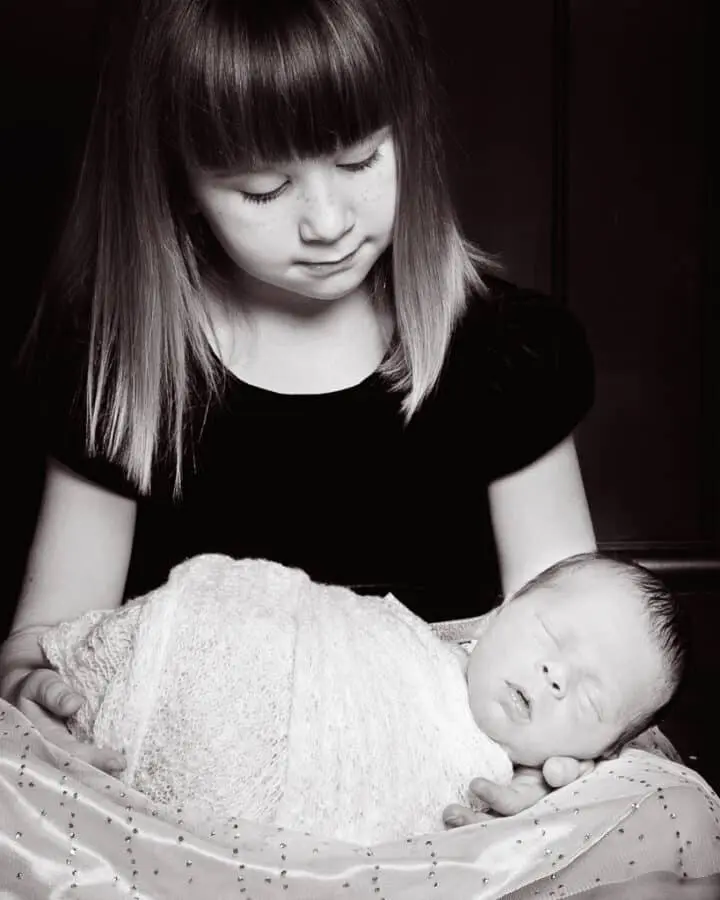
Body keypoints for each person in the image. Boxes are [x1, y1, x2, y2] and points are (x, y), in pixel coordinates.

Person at [0, 0, 599, 822]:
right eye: (264, 187)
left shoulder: (504, 355)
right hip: (195, 829)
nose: (326, 222)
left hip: (438, 817)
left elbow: (582, 628)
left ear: (409, 130)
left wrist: (545, 773)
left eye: (359, 161)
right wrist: (36, 691)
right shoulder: (118, 371)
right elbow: (44, 642)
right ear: (176, 178)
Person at [34, 551, 686, 845]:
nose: (553, 676)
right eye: (550, 634)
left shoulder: (492, 791)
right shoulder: (406, 641)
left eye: (587, 701)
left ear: (596, 755)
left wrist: (549, 804)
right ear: (504, 609)